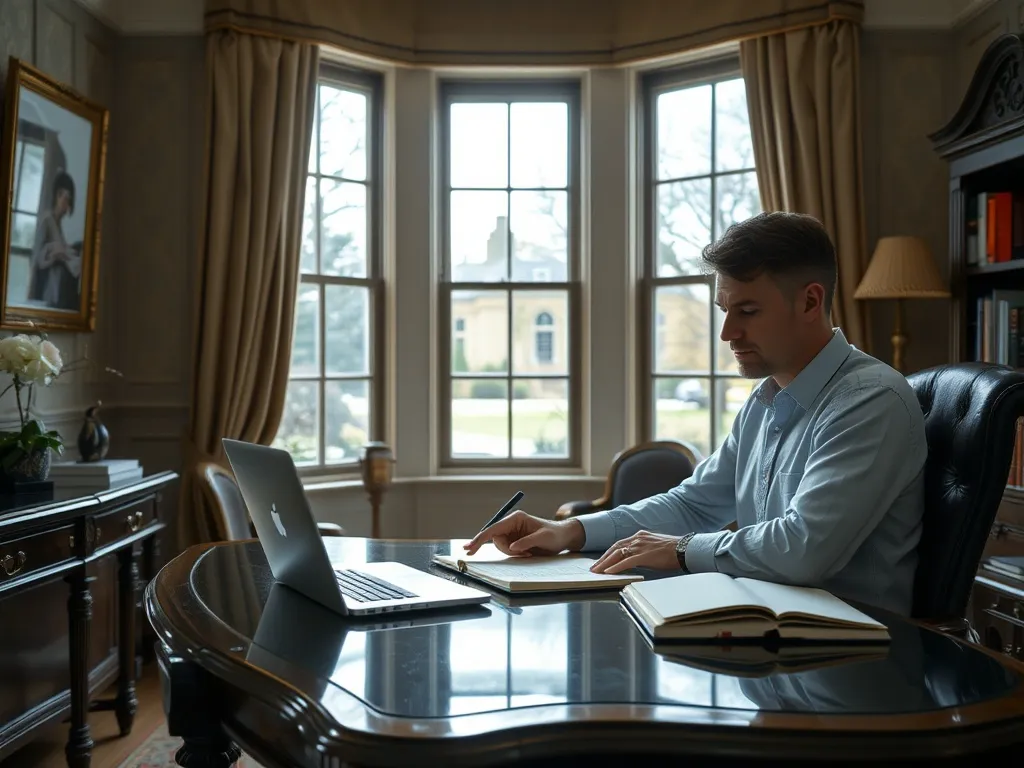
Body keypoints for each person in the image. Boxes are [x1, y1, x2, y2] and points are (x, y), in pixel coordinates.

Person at [464, 211, 927, 616]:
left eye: (746, 310)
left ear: (810, 301)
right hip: (767, 628)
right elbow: (695, 503)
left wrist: (681, 550)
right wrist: (569, 530)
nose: (727, 332)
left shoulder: (870, 400)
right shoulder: (765, 401)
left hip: (855, 658)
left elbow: (802, 549)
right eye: (724, 309)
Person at [28, 169, 81, 311]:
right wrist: (54, 255)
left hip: (58, 283)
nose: (67, 205)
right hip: (48, 287)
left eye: (69, 200)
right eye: (65, 198)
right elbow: (37, 258)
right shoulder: (47, 220)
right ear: (58, 196)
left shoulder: (58, 225)